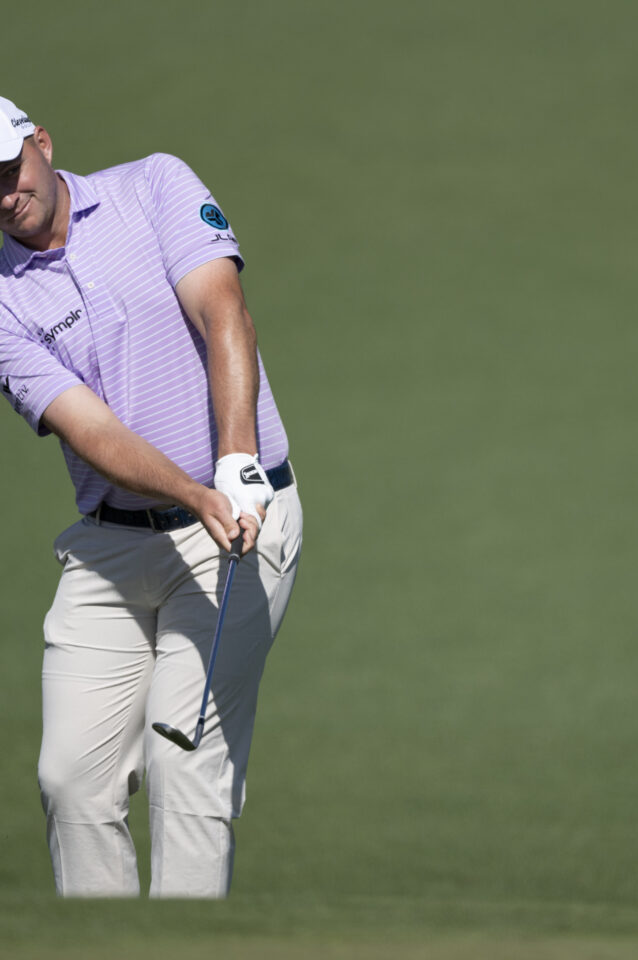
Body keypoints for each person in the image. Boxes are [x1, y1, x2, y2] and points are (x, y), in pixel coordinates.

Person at [0, 95, 303, 898]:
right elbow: (90, 431)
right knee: (70, 781)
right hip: (111, 543)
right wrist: (193, 491)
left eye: (8, 170)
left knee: (185, 761)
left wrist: (233, 465)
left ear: (40, 145)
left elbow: (224, 311)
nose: (4, 195)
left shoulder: (152, 186)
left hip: (242, 516)